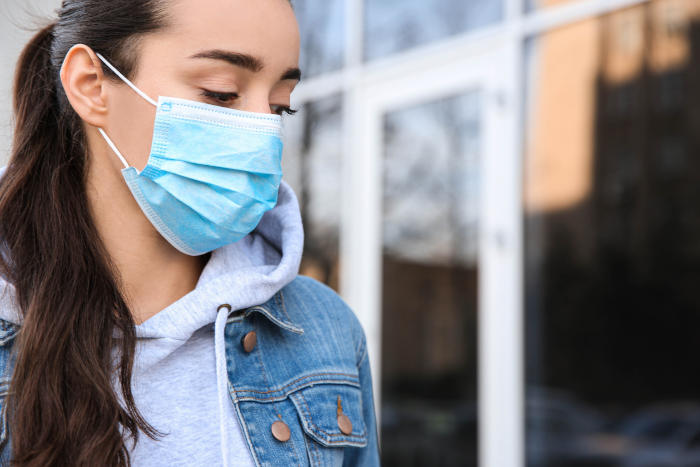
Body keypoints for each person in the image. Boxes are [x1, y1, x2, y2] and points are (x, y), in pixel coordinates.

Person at [0, 0, 380, 465]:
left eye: (281, 105)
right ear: (92, 85)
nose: (263, 130)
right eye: (221, 94)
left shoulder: (325, 332)